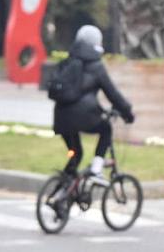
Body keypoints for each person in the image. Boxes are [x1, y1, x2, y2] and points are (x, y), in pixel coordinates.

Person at [52, 25, 134, 183]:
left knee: (76, 153)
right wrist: (128, 113)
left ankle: (61, 193)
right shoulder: (96, 67)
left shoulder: (67, 62)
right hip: (85, 117)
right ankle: (96, 169)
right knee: (106, 129)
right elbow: (113, 95)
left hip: (61, 118)